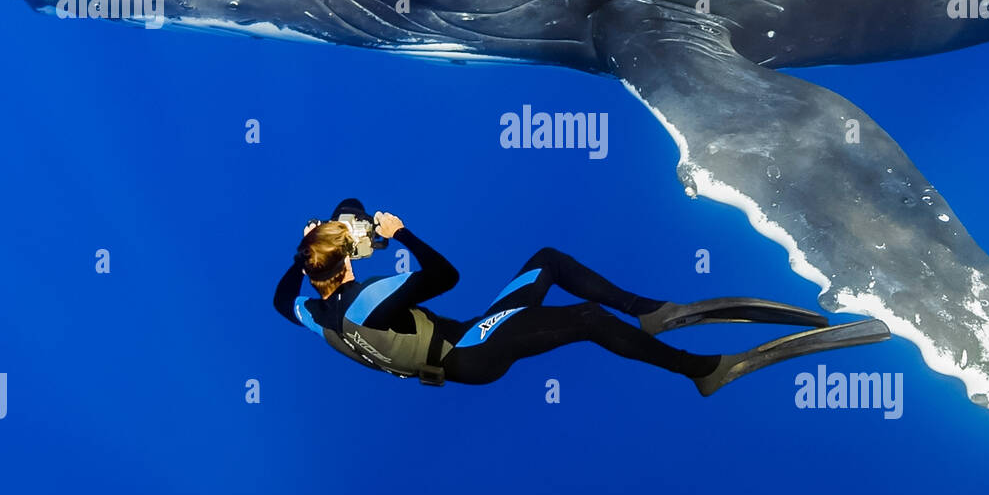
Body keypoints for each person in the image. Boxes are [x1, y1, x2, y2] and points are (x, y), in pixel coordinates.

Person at [272, 200, 890, 395]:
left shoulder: (314, 312)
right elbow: (444, 274)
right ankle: (707, 369)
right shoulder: (372, 297)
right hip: (469, 355)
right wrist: (398, 232)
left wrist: (319, 247)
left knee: (547, 261)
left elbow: (281, 300)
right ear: (347, 261)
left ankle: (655, 313)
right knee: (589, 319)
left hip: (462, 340)